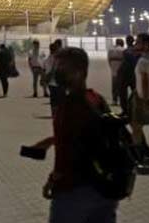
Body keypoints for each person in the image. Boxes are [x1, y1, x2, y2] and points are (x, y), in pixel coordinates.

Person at [36, 47, 119, 223]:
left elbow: (67, 155)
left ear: (79, 72)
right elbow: (93, 134)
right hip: (104, 190)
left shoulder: (68, 107)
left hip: (75, 191)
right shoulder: (96, 98)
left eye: (62, 67)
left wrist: (52, 180)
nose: (57, 72)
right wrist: (53, 140)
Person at [132, 33, 149, 158]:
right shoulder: (148, 58)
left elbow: (145, 81)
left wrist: (144, 101)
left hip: (144, 99)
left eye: (138, 42)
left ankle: (140, 154)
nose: (136, 44)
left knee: (136, 126)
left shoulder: (143, 61)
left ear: (146, 45)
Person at [107, 38, 125, 106]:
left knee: (114, 87)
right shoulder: (123, 50)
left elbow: (108, 60)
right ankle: (122, 101)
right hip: (121, 71)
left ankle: (114, 100)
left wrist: (112, 67)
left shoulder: (110, 50)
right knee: (121, 87)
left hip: (113, 70)